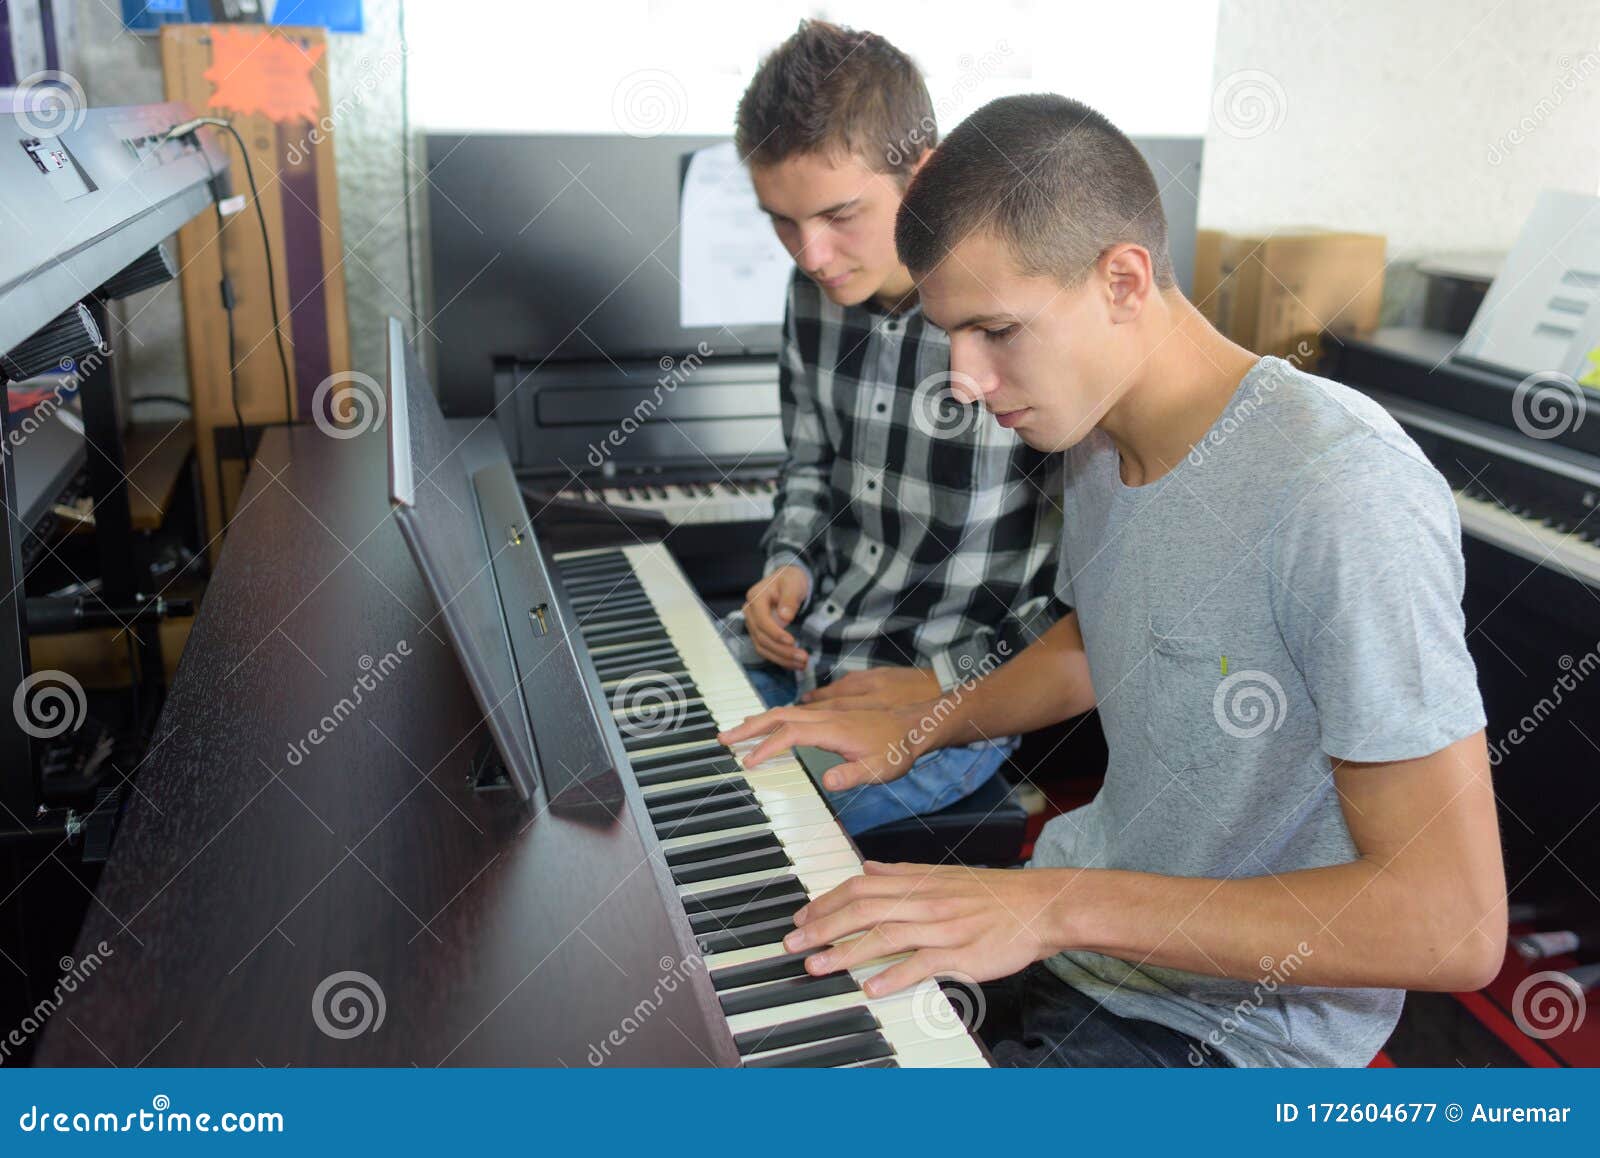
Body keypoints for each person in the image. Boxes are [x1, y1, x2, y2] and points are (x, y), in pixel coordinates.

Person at [720, 94, 1507, 1066]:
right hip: (1083, 942)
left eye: (996, 331)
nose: (961, 380)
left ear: (1124, 280)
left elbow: (1450, 927)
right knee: (739, 988)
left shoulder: (1340, 490)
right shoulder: (1092, 436)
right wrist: (928, 716)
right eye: (951, 335)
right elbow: (1102, 640)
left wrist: (1053, 907)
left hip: (1218, 1032)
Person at [725, 22, 1064, 835]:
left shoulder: (1019, 317)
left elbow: (1086, 589)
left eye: (840, 214)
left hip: (941, 702)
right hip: (812, 652)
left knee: (744, 830)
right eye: (780, 220)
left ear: (925, 172)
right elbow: (810, 459)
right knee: (630, 743)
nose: (810, 253)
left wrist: (951, 683)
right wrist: (790, 566)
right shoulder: (814, 287)